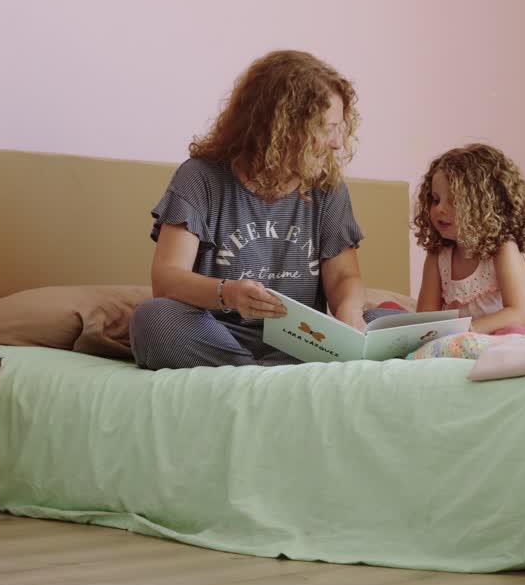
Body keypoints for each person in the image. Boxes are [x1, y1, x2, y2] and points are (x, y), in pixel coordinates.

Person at [130, 50, 367, 369]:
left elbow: (344, 277)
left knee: (388, 320)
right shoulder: (201, 178)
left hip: (300, 342)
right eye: (327, 128)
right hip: (216, 334)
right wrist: (228, 294)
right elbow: (167, 279)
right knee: (153, 320)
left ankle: (256, 374)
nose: (337, 143)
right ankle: (259, 374)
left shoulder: (327, 188)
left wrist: (350, 315)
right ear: (284, 128)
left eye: (340, 128)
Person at [411, 144, 525, 335]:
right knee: (387, 313)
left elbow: (519, 313)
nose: (439, 209)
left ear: (485, 207)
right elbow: (425, 317)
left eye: (454, 201)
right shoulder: (438, 256)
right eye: (435, 200)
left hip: (503, 340)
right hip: (460, 345)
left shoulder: (503, 249)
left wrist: (469, 331)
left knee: (514, 333)